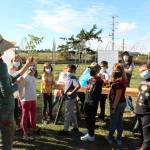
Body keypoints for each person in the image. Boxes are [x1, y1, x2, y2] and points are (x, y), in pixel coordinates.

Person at [0, 35, 18, 150]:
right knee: (7, 141)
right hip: (5, 108)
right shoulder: (2, 65)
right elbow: (6, 91)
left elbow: (5, 79)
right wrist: (17, 86)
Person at [9, 55, 34, 129]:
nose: (17, 62)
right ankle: (17, 125)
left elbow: (24, 75)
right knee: (15, 109)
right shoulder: (10, 69)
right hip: (13, 93)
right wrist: (27, 65)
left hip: (21, 93)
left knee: (20, 109)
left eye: (18, 60)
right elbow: (18, 75)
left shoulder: (21, 69)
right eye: (15, 60)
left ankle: (22, 124)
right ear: (12, 61)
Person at [105, 63, 127, 146]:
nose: (113, 71)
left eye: (114, 70)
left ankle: (110, 137)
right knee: (119, 121)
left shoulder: (118, 83)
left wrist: (113, 107)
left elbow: (117, 96)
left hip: (117, 104)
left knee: (114, 121)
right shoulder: (121, 80)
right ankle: (119, 139)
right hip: (121, 103)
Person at [80, 65, 103, 141]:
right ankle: (89, 130)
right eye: (90, 69)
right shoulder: (92, 79)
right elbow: (87, 90)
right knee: (87, 117)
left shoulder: (98, 81)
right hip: (87, 100)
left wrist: (89, 102)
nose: (90, 71)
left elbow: (94, 94)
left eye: (92, 69)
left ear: (96, 71)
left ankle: (91, 135)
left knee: (91, 118)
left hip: (92, 102)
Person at [59, 64, 80, 136]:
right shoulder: (68, 77)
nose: (68, 71)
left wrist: (72, 92)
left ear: (73, 71)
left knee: (67, 113)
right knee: (72, 113)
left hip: (70, 98)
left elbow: (78, 86)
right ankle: (76, 127)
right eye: (67, 70)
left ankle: (65, 130)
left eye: (69, 70)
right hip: (69, 98)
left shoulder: (73, 77)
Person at [19, 65, 39, 140]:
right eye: (32, 70)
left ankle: (32, 129)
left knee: (32, 115)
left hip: (33, 99)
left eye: (34, 70)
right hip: (26, 100)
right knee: (25, 116)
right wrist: (20, 98)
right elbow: (20, 89)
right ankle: (25, 133)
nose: (33, 71)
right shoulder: (24, 77)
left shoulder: (33, 77)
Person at [135, 63, 150, 150]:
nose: (141, 73)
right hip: (139, 109)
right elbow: (139, 92)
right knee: (141, 130)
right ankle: (143, 144)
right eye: (140, 72)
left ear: (149, 70)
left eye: (143, 71)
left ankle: (145, 147)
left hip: (147, 111)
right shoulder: (142, 80)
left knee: (146, 131)